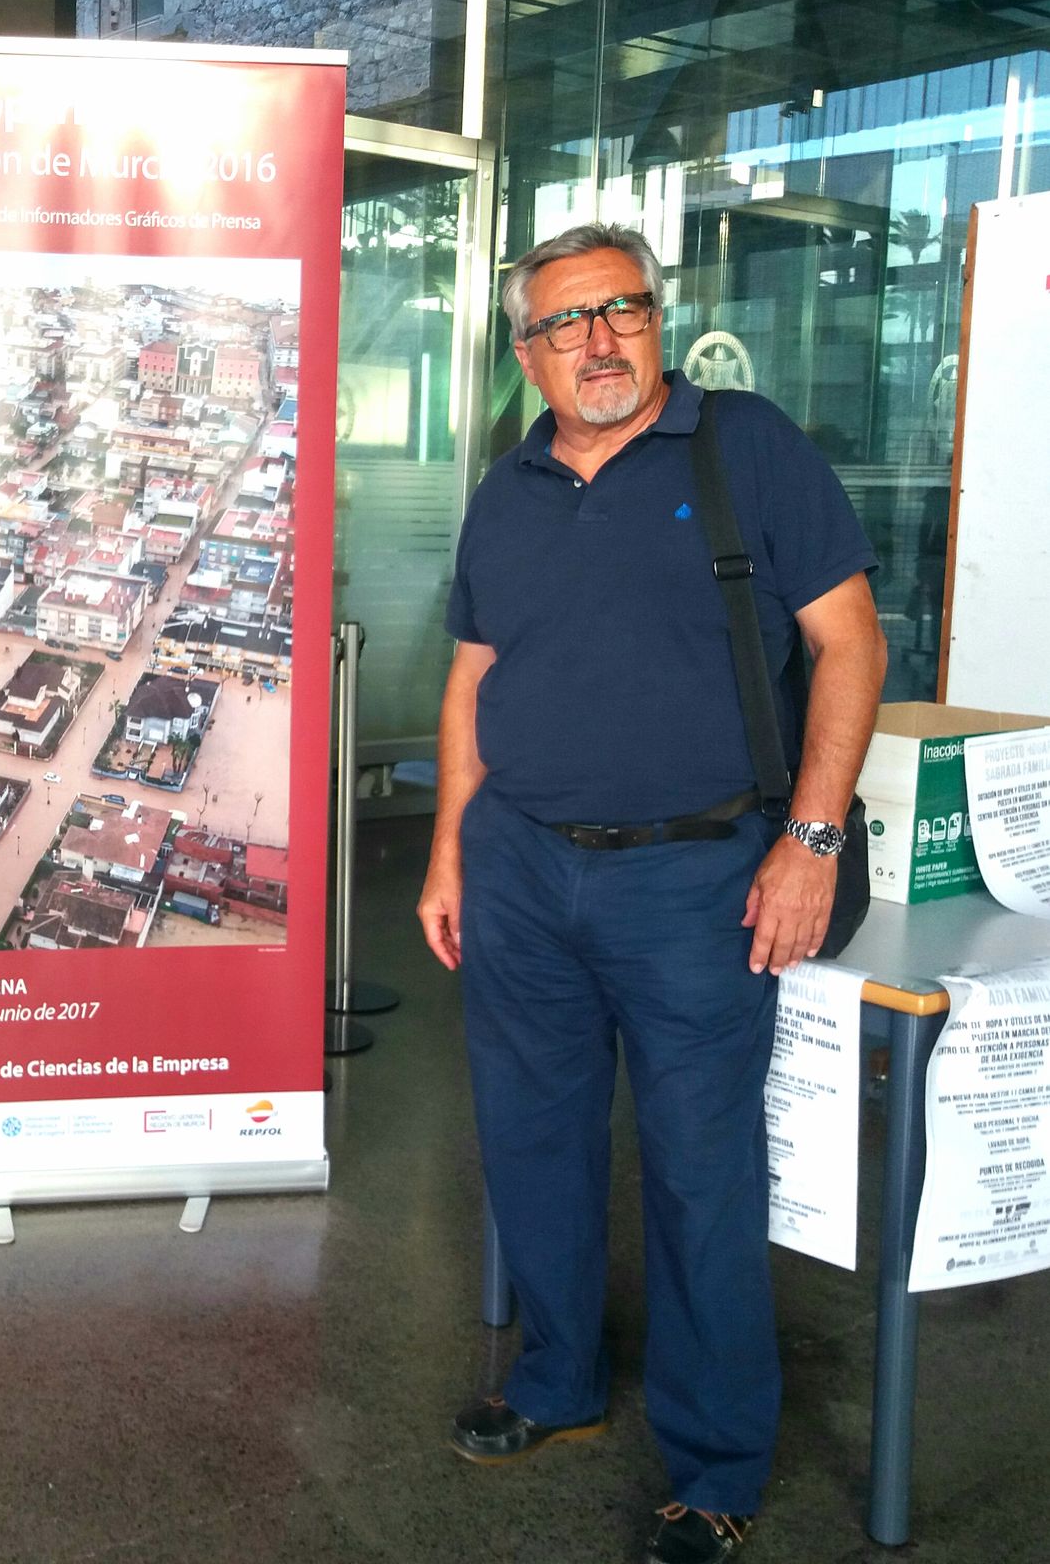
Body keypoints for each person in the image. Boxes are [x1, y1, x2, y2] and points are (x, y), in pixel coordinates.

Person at [417, 224, 886, 1564]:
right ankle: (557, 1380)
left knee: (698, 1175)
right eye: (562, 322)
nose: (595, 340)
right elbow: (471, 678)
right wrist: (449, 851)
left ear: (655, 320)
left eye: (618, 309)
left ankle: (717, 1462)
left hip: (696, 878)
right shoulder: (506, 488)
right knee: (531, 1144)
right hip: (519, 867)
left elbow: (848, 644)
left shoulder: (746, 449)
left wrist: (808, 839)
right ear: (525, 352)